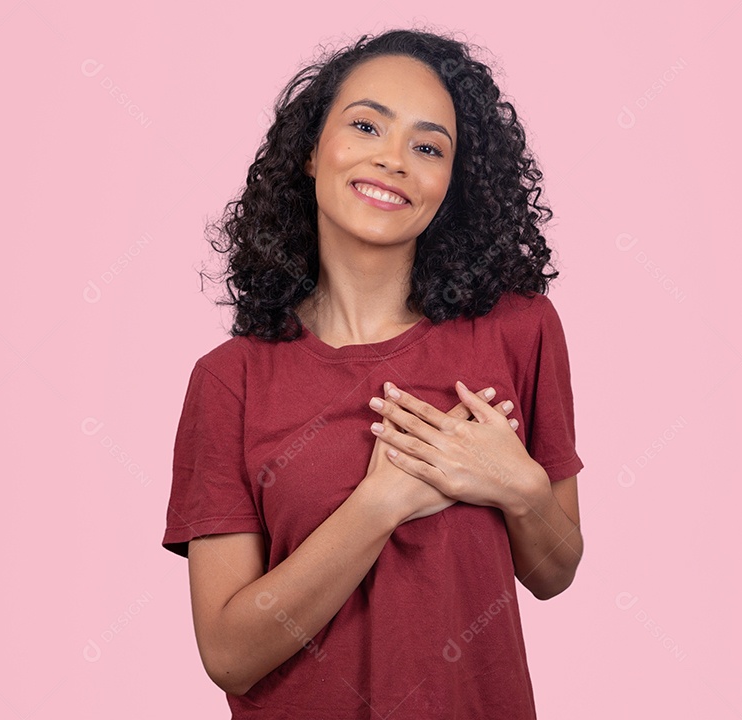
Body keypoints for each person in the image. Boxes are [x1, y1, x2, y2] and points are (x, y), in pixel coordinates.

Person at [162, 27, 585, 718]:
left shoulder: (518, 330)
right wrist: (380, 502)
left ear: (451, 184)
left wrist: (523, 490)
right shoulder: (230, 381)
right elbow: (229, 655)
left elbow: (552, 572)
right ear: (310, 152)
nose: (394, 161)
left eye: (427, 147)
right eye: (366, 126)